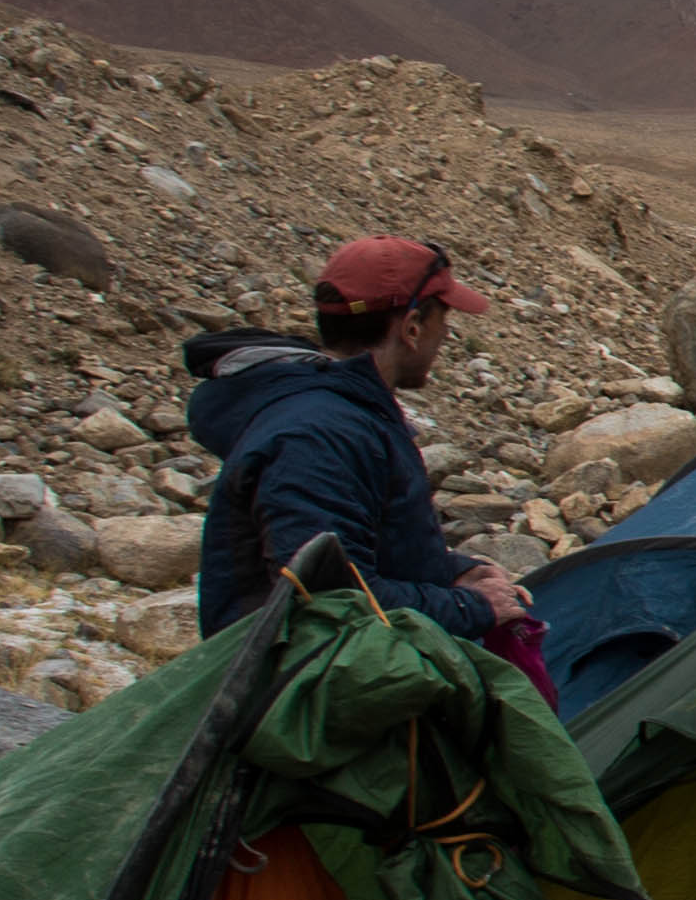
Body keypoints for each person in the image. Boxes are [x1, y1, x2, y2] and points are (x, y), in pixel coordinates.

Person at [187, 235, 535, 640]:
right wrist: (470, 608)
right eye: (444, 321)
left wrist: (452, 573)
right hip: (306, 694)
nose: (446, 336)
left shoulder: (346, 414)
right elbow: (328, 606)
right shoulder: (318, 437)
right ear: (412, 328)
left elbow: (365, 554)